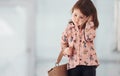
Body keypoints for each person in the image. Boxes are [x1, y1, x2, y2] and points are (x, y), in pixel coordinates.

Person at [60, 0, 99, 76]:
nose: (77, 19)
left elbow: (89, 37)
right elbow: (63, 43)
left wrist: (90, 22)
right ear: (72, 12)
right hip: (73, 65)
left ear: (88, 18)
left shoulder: (90, 28)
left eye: (81, 17)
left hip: (89, 65)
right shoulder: (68, 29)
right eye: (75, 15)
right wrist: (65, 50)